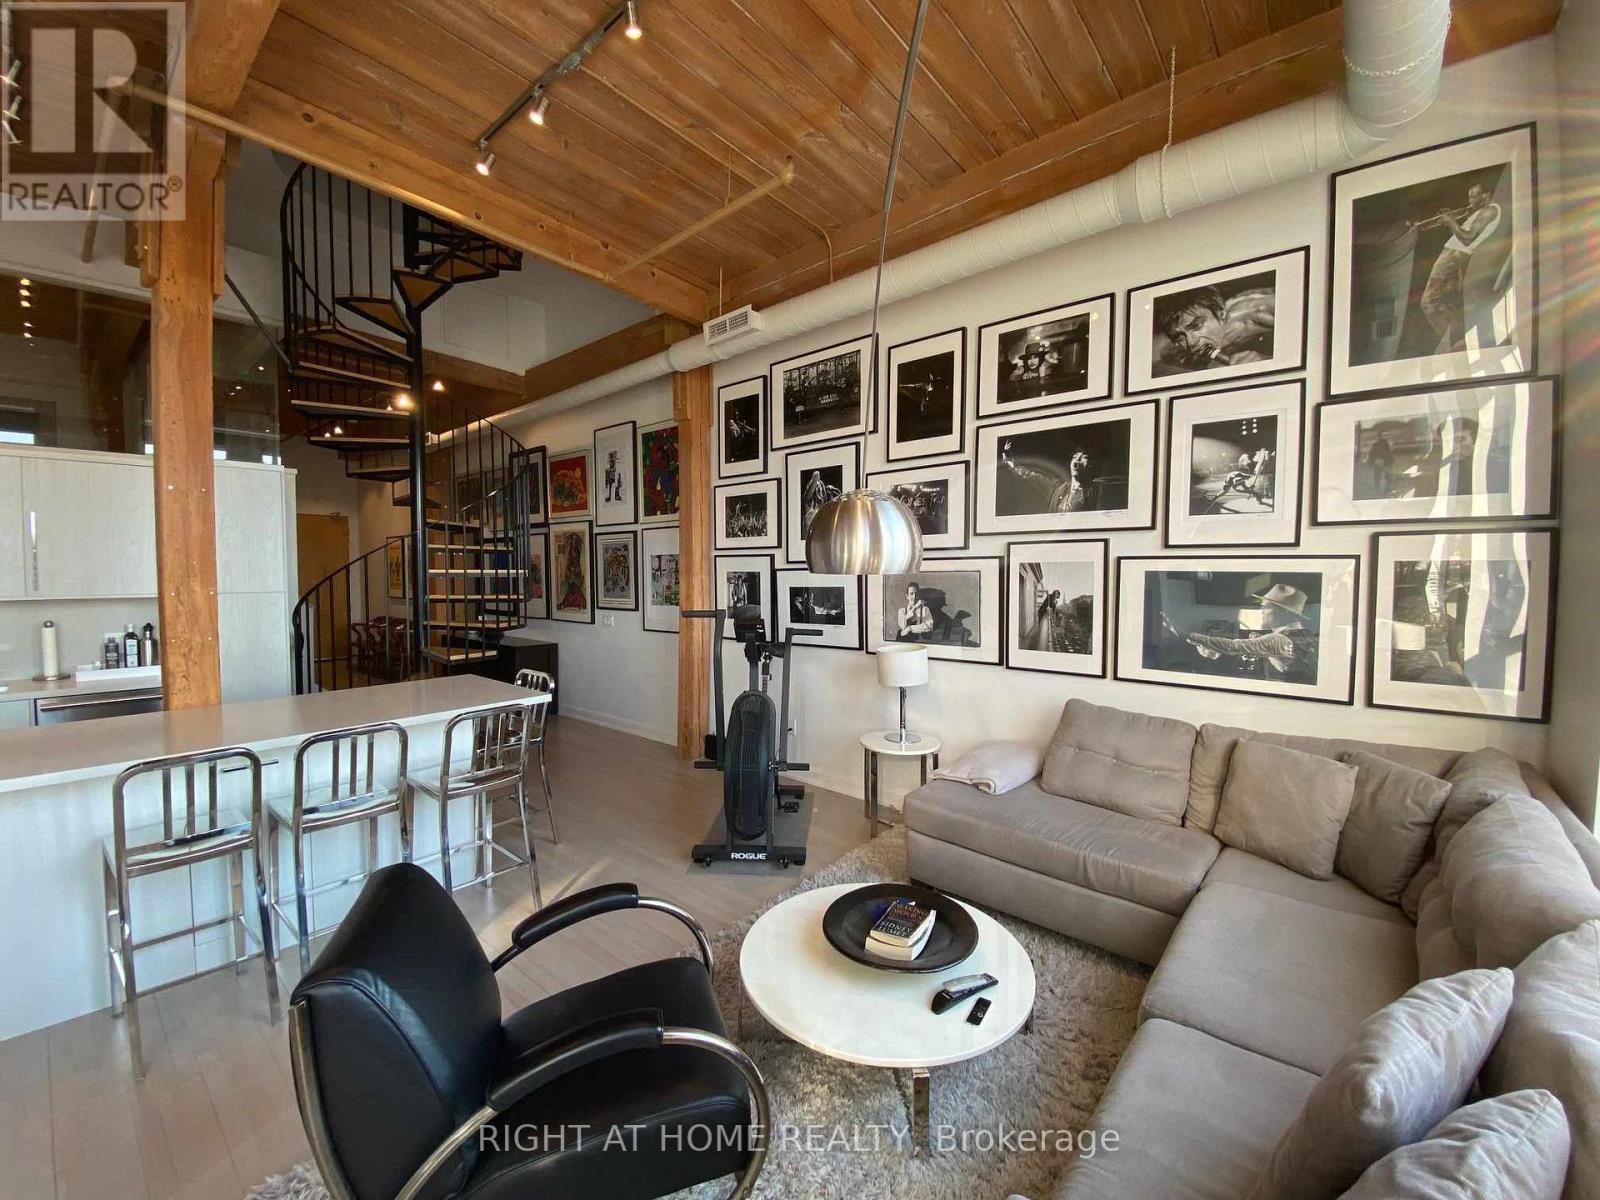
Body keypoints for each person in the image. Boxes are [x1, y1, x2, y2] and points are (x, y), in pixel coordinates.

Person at [1162, 582, 1317, 684]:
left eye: (1267, 606)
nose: (1262, 610)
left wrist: (1187, 635)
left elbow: (1232, 647)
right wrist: (1260, 640)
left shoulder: (1277, 640)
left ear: (1284, 613)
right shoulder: (1301, 634)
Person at [1417, 182, 1502, 351]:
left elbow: (1467, 238)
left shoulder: (1489, 211)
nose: (1470, 201)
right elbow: (1462, 234)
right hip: (1456, 255)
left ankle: (1448, 342)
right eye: (1469, 196)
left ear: (1486, 195)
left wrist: (1451, 221)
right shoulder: (1481, 212)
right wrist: (1445, 221)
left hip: (1453, 255)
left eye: (1474, 196)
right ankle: (1457, 343)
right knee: (1452, 304)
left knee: (1428, 302)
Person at [1155, 283, 1276, 370]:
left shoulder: (1261, 313)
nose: (1191, 342)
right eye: (1179, 337)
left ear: (1221, 314)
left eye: (1196, 326)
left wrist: (1265, 361)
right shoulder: (1176, 351)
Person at [1000, 441, 1094, 512]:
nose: (1077, 461)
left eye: (1084, 457)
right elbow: (1032, 476)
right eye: (1075, 457)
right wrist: (1013, 465)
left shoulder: (1096, 491)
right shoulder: (1059, 488)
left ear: (1091, 465)